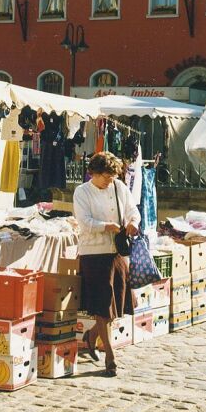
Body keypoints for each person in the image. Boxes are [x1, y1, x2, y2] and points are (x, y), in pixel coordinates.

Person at [73, 151, 140, 377]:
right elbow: (84, 221)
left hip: (117, 253)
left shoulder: (119, 187)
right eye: (106, 177)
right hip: (93, 253)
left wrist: (132, 223)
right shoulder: (82, 192)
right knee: (102, 304)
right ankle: (110, 356)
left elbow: (133, 211)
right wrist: (105, 226)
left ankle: (92, 336)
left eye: (112, 176)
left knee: (114, 304)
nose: (109, 181)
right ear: (94, 173)